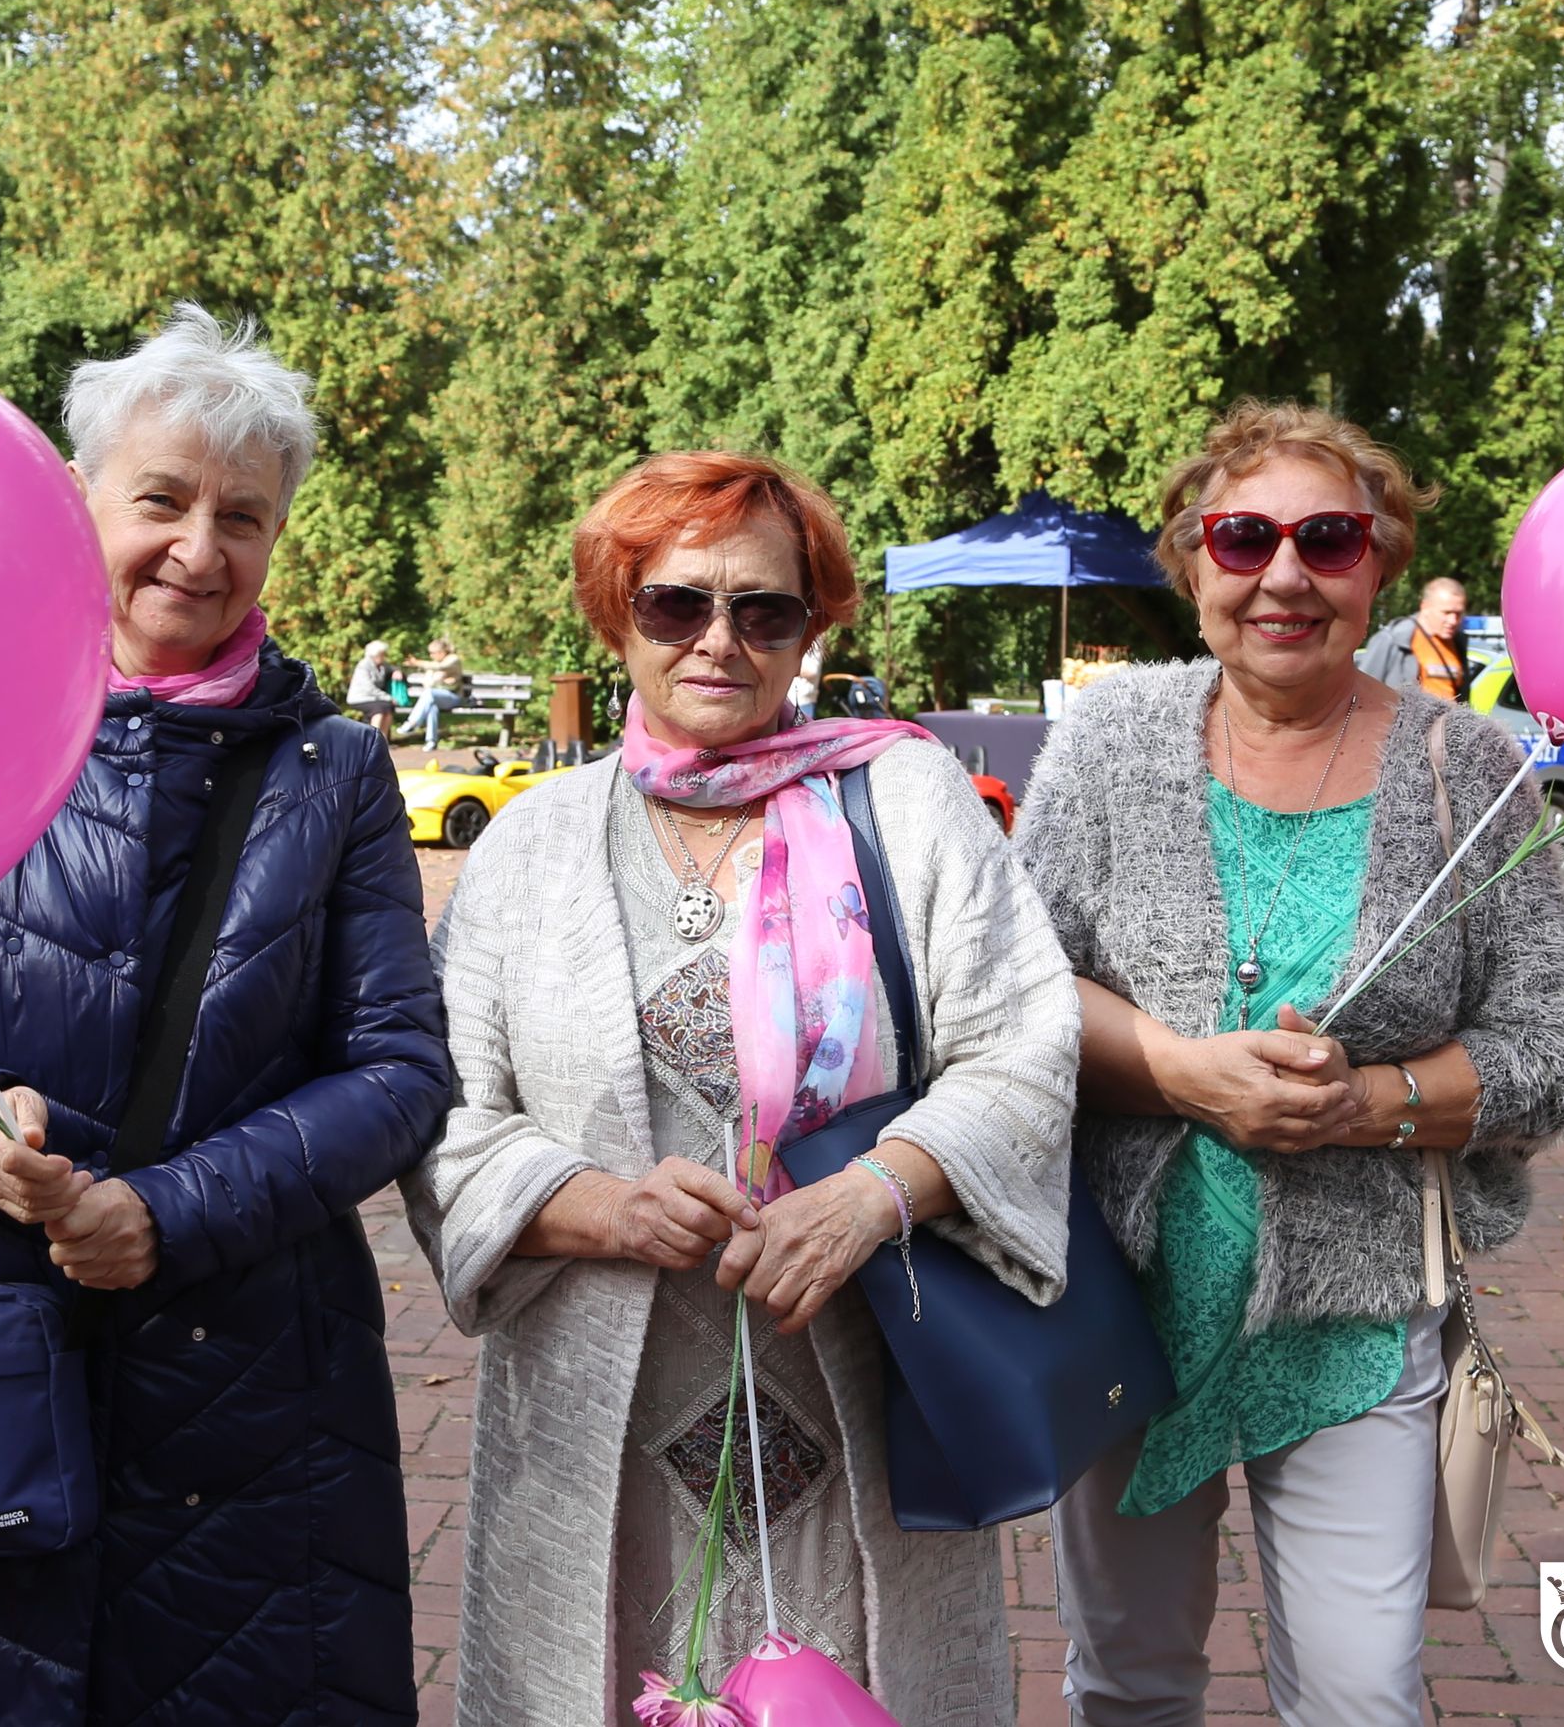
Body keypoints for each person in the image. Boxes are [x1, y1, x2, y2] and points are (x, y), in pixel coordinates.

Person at [0, 302, 449, 1727]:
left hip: (254, 1386)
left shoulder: (332, 771)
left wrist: (169, 1209)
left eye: (243, 516)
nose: (199, 548)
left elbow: (396, 1069)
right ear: (76, 501)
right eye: (161, 499)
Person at [403, 450, 1080, 1727]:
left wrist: (874, 1193)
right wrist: (605, 1206)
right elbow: (440, 1115)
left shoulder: (909, 804)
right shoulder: (531, 846)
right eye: (676, 603)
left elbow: (1024, 1046)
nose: (719, 639)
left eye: (764, 609)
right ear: (617, 613)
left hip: (861, 1386)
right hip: (598, 1418)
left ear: (810, 629)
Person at [1013, 401, 1564, 1726]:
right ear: (1192, 561)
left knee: (1358, 1692)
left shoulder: (1468, 768)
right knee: (1127, 1680)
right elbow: (1016, 983)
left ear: (1379, 564)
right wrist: (1181, 1071)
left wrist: (1365, 1104)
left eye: (1327, 539)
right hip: (1121, 1300)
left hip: (1353, 1311)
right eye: (1243, 537)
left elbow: (1549, 1055)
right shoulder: (1112, 739)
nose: (1284, 574)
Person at [1357, 573, 1470, 701]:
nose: (1453, 621)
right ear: (1425, 606)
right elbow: (1362, 691)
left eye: (1458, 614)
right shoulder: (1393, 640)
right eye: (1446, 612)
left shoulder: (1458, 643)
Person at [400, 635, 465, 748]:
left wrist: (417, 663)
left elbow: (441, 667)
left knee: (429, 693)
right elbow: (427, 683)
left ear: (442, 652)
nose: (431, 656)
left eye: (433, 653)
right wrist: (441, 681)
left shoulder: (453, 659)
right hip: (436, 697)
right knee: (432, 707)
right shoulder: (433, 665)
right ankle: (431, 741)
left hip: (453, 697)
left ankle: (412, 723)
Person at [347, 637, 397, 741]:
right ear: (375, 655)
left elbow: (392, 668)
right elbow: (369, 688)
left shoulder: (382, 665)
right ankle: (373, 740)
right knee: (378, 710)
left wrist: (397, 671)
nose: (384, 656)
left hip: (373, 698)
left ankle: (384, 740)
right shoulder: (363, 666)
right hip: (360, 698)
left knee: (388, 707)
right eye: (382, 654)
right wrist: (387, 697)